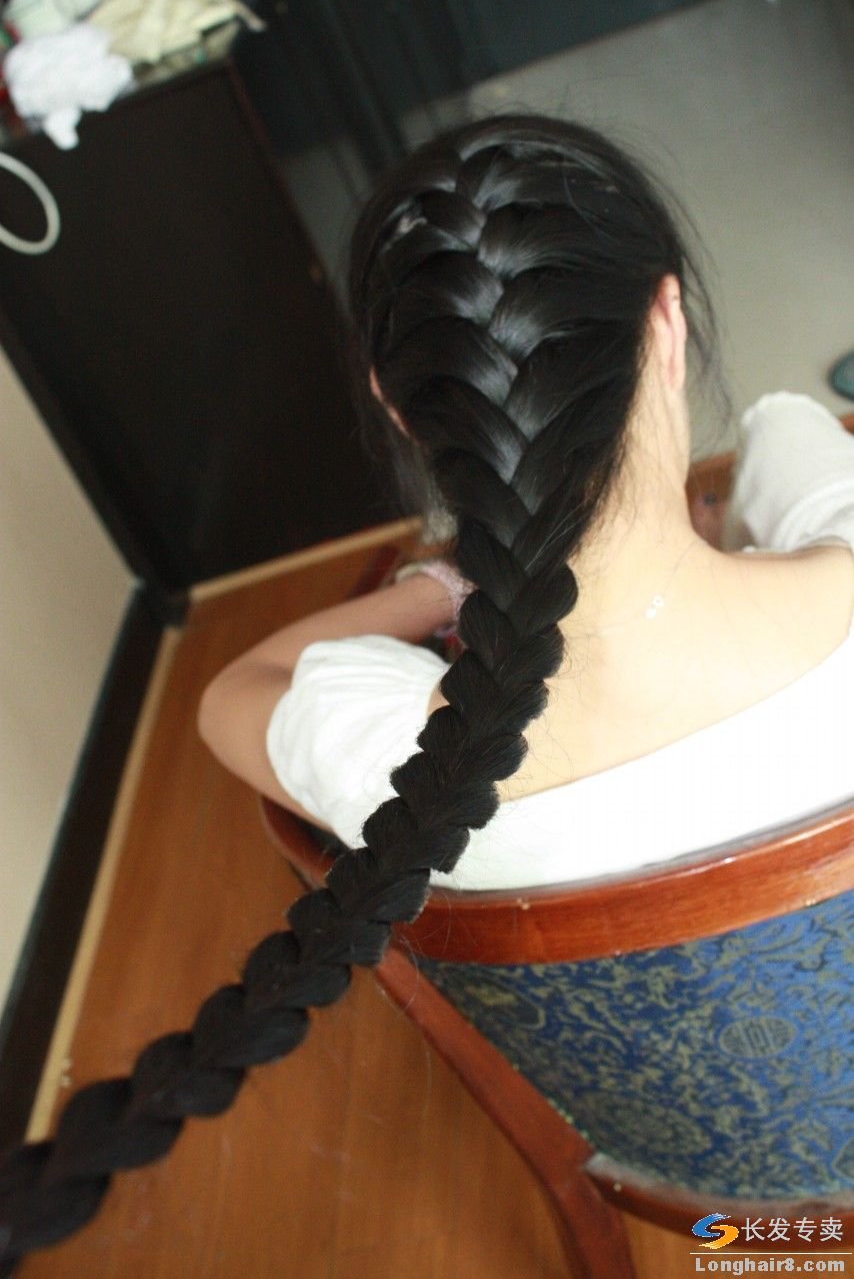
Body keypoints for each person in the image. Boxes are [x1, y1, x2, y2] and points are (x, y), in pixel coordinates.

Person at [1, 111, 852, 1272]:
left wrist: (437, 587)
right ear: (665, 326)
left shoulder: (395, 765)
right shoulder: (825, 521)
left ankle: (746, 1241)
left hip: (699, 1193)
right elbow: (790, 447)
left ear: (400, 409)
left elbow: (233, 690)